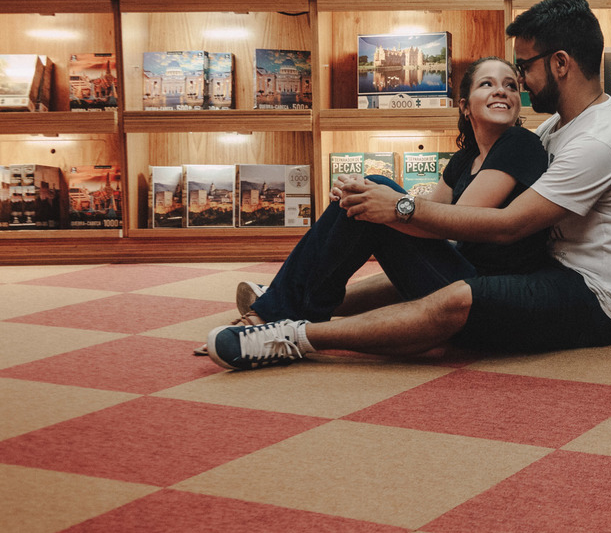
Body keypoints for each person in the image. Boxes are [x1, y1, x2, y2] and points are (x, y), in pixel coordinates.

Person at [206, 0, 611, 370]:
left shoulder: (598, 139)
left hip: (595, 297)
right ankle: (282, 304)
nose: (519, 81)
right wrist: (382, 201)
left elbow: (509, 225)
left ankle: (292, 335)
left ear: (560, 63)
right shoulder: (558, 126)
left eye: (523, 67)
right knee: (376, 198)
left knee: (455, 298)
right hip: (547, 265)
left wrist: (400, 207)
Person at [195, 54, 549, 356]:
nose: (501, 90)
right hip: (459, 275)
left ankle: (276, 309)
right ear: (464, 105)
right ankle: (281, 308)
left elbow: (457, 223)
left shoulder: (520, 143)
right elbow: (428, 216)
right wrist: (363, 197)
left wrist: (379, 202)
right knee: (368, 191)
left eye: (510, 85)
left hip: (484, 291)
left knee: (375, 187)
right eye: (487, 84)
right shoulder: (464, 159)